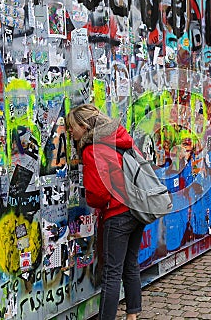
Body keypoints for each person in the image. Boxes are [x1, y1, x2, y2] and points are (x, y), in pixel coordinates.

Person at [66, 104, 145, 320]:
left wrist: (89, 197)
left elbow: (99, 194)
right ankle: (132, 316)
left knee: (111, 273)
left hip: (117, 215)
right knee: (131, 264)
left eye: (72, 127)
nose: (70, 132)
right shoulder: (120, 137)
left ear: (84, 125)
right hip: (138, 209)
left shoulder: (92, 149)